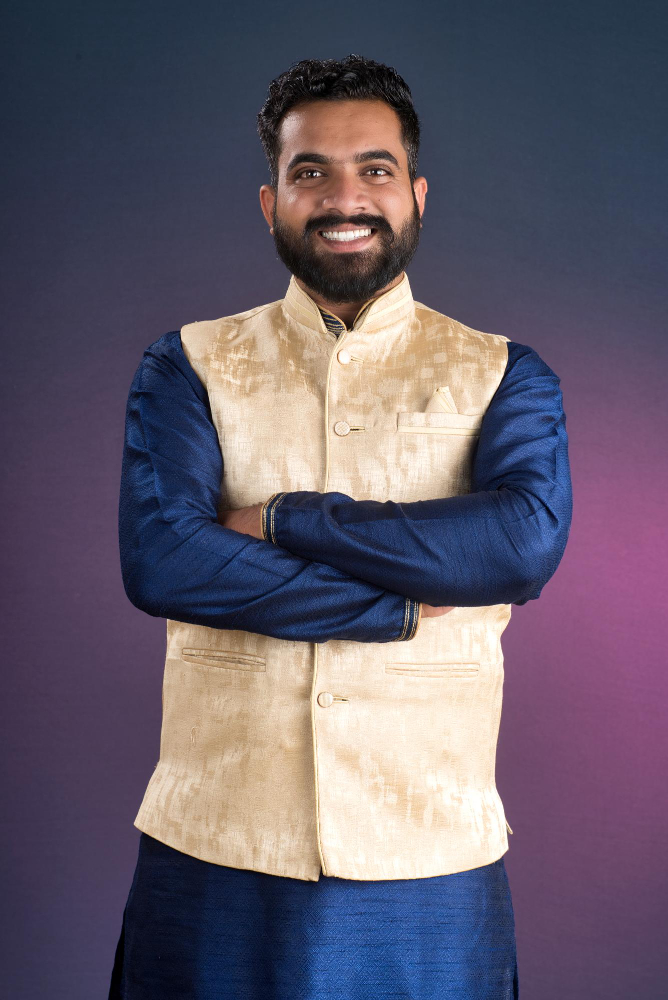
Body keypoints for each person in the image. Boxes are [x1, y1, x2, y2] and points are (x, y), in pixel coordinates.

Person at [108, 54, 572, 1000]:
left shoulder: (502, 373)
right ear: (271, 202)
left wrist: (284, 519)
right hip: (216, 837)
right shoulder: (187, 364)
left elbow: (520, 544)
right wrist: (397, 608)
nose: (344, 197)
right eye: (310, 171)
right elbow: (164, 561)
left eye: (375, 169)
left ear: (417, 195)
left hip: (429, 846)